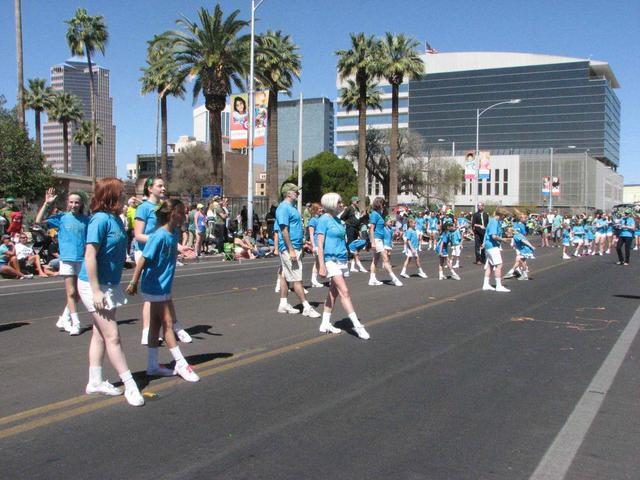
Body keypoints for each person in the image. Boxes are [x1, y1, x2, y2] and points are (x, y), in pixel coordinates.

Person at [76, 178, 145, 407]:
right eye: (121, 193)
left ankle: (94, 381)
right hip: (92, 285)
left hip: (109, 284)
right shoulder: (99, 220)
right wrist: (95, 291)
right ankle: (131, 384)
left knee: (99, 333)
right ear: (111, 196)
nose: (125, 195)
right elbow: (89, 256)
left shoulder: (116, 218)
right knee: (113, 336)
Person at [127, 200, 200, 382]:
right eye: (182, 213)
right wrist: (134, 282)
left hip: (164, 285)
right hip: (154, 286)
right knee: (167, 323)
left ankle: (152, 366)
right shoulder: (158, 236)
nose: (184, 216)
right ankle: (181, 364)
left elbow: (169, 252)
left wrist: (182, 249)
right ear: (172, 214)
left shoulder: (174, 233)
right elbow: (143, 259)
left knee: (155, 325)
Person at [135, 177, 192, 346]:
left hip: (165, 252)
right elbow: (138, 235)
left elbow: (170, 232)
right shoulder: (144, 208)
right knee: (151, 296)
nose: (163, 188)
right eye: (159, 185)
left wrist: (180, 247)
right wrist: (157, 240)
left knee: (165, 293)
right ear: (149, 188)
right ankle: (148, 331)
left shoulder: (164, 207)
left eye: (164, 185)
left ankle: (175, 326)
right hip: (147, 252)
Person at [35, 188, 90, 334]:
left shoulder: (86, 220)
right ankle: (75, 322)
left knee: (79, 292)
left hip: (82, 260)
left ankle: (65, 317)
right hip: (67, 259)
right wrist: (47, 203)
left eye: (76, 202)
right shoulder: (62, 218)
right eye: (71, 202)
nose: (74, 205)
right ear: (67, 203)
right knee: (71, 292)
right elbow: (38, 221)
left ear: (81, 204)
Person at [316, 193, 369, 339]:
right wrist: (321, 265)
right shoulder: (323, 220)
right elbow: (319, 245)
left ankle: (325, 322)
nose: (342, 204)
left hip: (342, 259)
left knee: (334, 292)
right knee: (344, 291)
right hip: (330, 259)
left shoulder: (338, 221)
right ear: (332, 204)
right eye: (339, 202)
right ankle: (357, 326)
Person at [275, 183, 320, 318]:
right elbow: (284, 230)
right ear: (288, 193)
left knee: (284, 275)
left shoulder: (292, 207)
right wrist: (291, 250)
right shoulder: (283, 208)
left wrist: (303, 245)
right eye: (296, 192)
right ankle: (306, 307)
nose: (298, 194)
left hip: (296, 246)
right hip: (290, 248)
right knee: (297, 278)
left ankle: (283, 304)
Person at [368, 197, 402, 287]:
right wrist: (372, 242)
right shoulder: (375, 214)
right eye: (383, 204)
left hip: (380, 239)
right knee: (386, 259)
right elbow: (371, 228)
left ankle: (372, 279)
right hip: (377, 239)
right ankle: (394, 279)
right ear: (379, 204)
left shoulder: (379, 214)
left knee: (375, 260)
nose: (384, 205)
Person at [482, 207, 510, 292]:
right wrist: (503, 240)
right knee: (499, 265)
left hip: (489, 246)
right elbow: (493, 236)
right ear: (500, 215)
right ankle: (498, 285)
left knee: (490, 265)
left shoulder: (495, 222)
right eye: (504, 216)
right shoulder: (494, 222)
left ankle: (486, 284)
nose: (504, 218)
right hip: (492, 246)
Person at [342, 196, 367, 273]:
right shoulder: (349, 208)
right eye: (356, 201)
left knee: (355, 245)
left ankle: (352, 264)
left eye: (358, 201)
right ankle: (349, 258)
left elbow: (358, 218)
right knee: (351, 244)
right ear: (353, 201)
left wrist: (361, 217)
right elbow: (343, 217)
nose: (358, 203)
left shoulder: (357, 209)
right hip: (350, 228)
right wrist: (348, 222)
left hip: (356, 228)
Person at [307, 203, 324, 288]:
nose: (321, 210)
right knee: (317, 262)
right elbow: (311, 234)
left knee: (320, 261)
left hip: (323, 243)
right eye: (319, 209)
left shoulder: (322, 218)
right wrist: (313, 246)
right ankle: (314, 279)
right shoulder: (313, 220)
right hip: (317, 243)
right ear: (315, 210)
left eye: (321, 208)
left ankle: (314, 279)